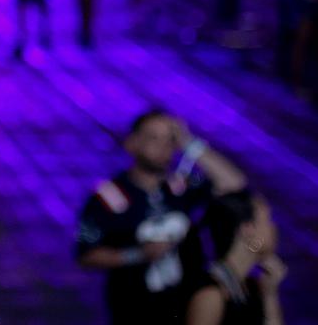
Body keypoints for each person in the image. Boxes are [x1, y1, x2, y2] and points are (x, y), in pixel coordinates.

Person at [75, 109, 248, 324]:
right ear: (132, 143)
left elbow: (234, 184)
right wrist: (138, 254)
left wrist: (190, 144)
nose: (164, 146)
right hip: (134, 309)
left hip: (184, 307)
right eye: (154, 138)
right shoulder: (108, 197)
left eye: (170, 139)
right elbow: (86, 255)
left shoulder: (181, 187)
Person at [185, 192, 286, 324]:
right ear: (248, 229)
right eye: (268, 220)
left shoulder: (249, 287)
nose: (274, 228)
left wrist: (270, 295)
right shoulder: (211, 295)